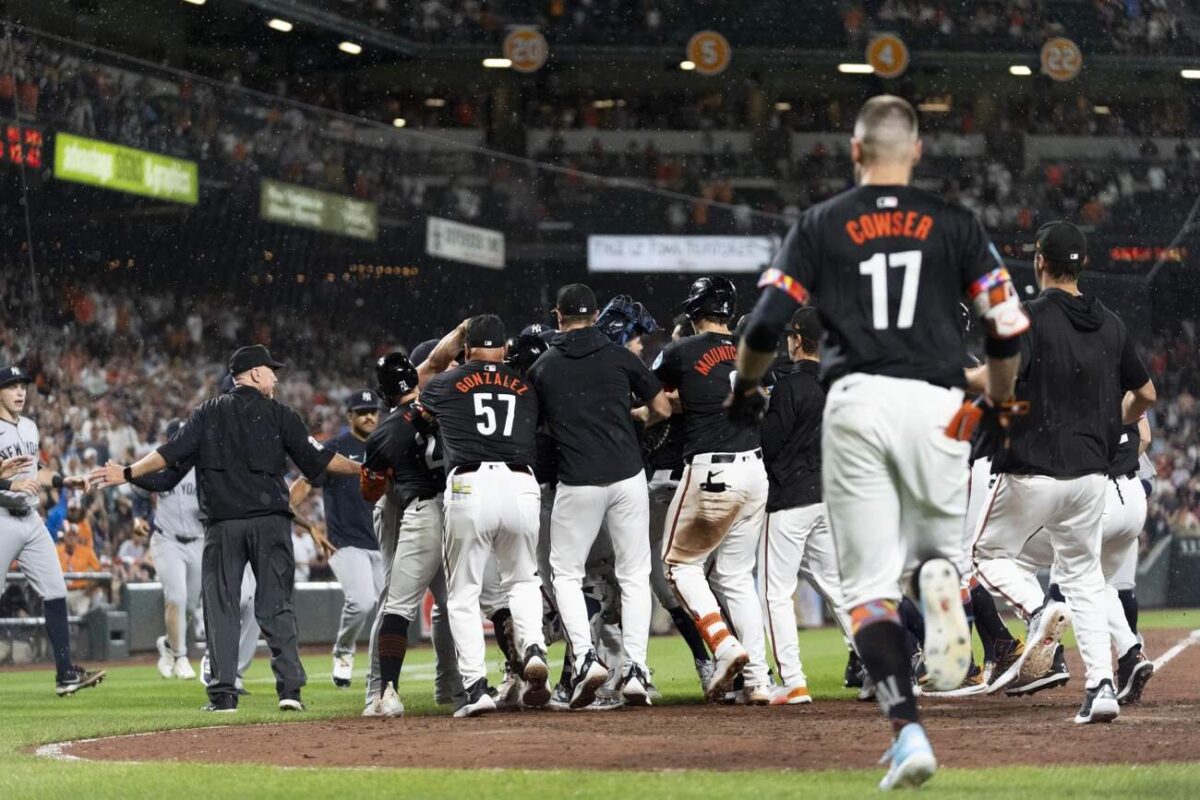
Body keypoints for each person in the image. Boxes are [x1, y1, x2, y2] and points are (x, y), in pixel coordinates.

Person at [729, 95, 1028, 788]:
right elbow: (1009, 327)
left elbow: (766, 326)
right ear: (917, 151)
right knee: (933, 555)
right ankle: (937, 579)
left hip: (857, 402)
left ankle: (908, 731)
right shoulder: (956, 224)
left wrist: (745, 388)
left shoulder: (820, 224)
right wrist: (1003, 398)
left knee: (865, 590)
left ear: (855, 152)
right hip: (939, 404)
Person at [91, 345, 365, 713]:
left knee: (220, 608)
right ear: (253, 374)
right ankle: (289, 691)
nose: (276, 377)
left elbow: (170, 452)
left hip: (223, 528)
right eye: (271, 370)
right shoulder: (282, 415)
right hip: (270, 525)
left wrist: (126, 472)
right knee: (276, 606)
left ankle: (223, 694)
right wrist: (365, 469)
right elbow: (323, 459)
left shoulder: (207, 412)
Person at [970, 221, 1156, 724]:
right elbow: (1146, 395)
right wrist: (1103, 421)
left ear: (1039, 262)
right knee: (1085, 579)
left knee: (983, 553)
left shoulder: (1028, 318)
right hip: (1092, 478)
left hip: (1034, 469)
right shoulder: (1113, 324)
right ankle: (1101, 687)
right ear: (1083, 264)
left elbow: (998, 381)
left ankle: (1036, 612)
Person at [528, 284, 671, 709]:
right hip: (628, 476)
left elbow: (538, 427)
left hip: (578, 480)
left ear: (558, 316)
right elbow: (661, 408)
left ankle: (587, 657)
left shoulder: (544, 366)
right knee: (634, 575)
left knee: (566, 574)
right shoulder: (619, 355)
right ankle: (637, 671)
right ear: (594, 316)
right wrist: (631, 418)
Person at [417, 315, 551, 718]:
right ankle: (532, 647)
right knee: (524, 579)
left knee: (463, 594)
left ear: (466, 347)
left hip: (470, 485)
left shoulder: (446, 383)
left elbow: (421, 374)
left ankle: (475, 687)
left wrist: (454, 336)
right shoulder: (527, 384)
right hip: (521, 484)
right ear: (506, 349)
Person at [652, 276, 772, 704]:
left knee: (678, 567)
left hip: (711, 469)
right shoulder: (750, 348)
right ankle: (758, 680)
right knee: (737, 578)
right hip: (755, 468)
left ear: (694, 309)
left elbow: (656, 401)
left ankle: (722, 644)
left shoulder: (680, 351)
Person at [758, 307, 853, 706]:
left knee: (774, 592)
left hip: (791, 500)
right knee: (840, 590)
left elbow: (771, 443)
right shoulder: (839, 385)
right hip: (828, 498)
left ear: (797, 340)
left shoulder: (790, 386)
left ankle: (793, 680)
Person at [0, 364, 103, 696]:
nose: (20, 392)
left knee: (56, 590)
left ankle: (65, 675)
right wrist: (9, 481)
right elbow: (16, 479)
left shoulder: (29, 427)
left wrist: (63, 480)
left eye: (23, 386)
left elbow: (38, 470)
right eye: (12, 386)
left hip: (30, 520)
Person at [290, 389, 386, 689]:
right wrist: (297, 516)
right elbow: (304, 482)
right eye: (362, 411)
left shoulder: (386, 445)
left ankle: (381, 671)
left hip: (384, 543)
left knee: (390, 611)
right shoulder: (335, 447)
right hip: (345, 543)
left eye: (373, 410)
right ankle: (344, 652)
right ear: (350, 416)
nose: (369, 416)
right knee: (361, 602)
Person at [642, 315, 715, 691]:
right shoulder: (716, 379)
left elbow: (661, 403)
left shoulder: (681, 377)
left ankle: (633, 668)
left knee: (658, 582)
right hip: (704, 486)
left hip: (673, 486)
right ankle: (721, 663)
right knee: (706, 583)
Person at [127, 418, 204, 680]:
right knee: (177, 597)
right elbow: (138, 495)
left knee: (191, 607)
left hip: (197, 540)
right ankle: (181, 657)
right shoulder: (158, 464)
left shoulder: (203, 465)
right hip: (166, 540)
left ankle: (169, 646)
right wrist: (138, 519)